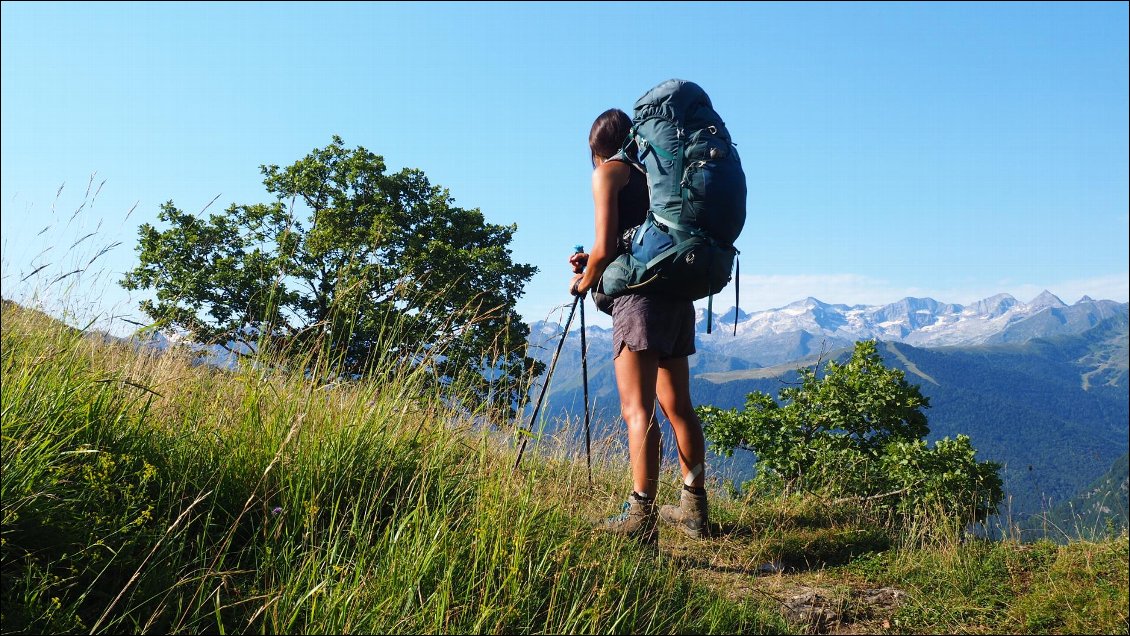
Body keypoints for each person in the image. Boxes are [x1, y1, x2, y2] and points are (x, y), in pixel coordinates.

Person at [568, 108, 710, 545]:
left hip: (639, 300)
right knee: (678, 407)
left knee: (637, 410)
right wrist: (594, 263)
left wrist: (583, 279)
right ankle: (693, 507)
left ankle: (640, 513)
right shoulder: (658, 174)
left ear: (596, 148)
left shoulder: (608, 172)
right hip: (675, 292)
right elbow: (633, 239)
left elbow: (606, 245)